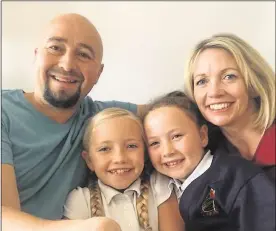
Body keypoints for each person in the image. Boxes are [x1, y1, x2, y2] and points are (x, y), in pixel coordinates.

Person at [2, 13, 144, 231]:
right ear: (36, 55)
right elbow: (4, 216)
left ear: (98, 73)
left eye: (84, 54)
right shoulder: (4, 110)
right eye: (55, 48)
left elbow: (171, 111)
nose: (67, 64)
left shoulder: (100, 119)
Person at [143, 91, 275, 231]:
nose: (168, 151)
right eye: (154, 143)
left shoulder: (237, 177)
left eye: (176, 136)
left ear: (202, 136)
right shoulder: (159, 186)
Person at [63, 107, 184, 231]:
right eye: (104, 149)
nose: (119, 158)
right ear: (89, 160)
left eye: (131, 146)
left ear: (145, 153)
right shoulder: (80, 200)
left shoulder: (159, 185)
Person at [183, 33, 275, 180]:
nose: (214, 92)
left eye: (229, 76)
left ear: (254, 84)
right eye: (202, 81)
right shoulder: (207, 153)